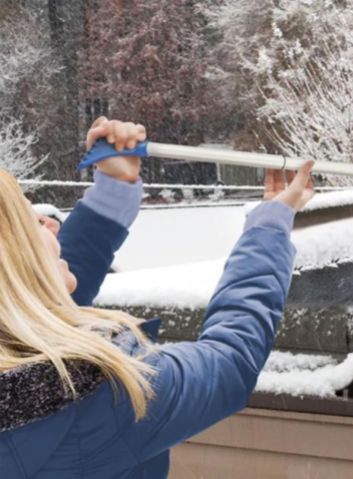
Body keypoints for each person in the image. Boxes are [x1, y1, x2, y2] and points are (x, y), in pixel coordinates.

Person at [0, 117, 315, 478]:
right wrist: (270, 226)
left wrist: (113, 192)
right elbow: (229, 362)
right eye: (33, 222)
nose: (52, 223)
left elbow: (32, 309)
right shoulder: (102, 394)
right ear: (14, 259)